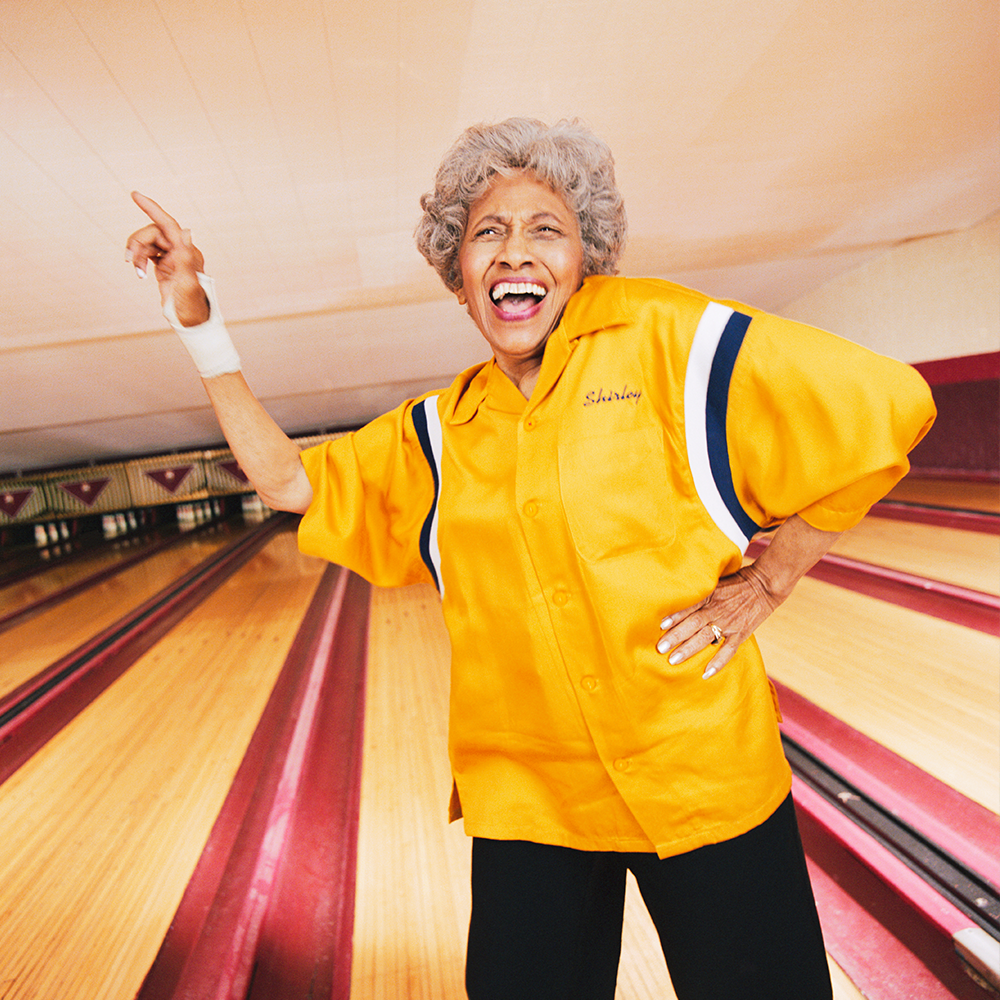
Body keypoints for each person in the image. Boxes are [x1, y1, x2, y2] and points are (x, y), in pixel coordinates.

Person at [126, 117, 936, 1000]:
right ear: (459, 274)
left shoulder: (670, 344)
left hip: (704, 779)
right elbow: (286, 481)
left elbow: (888, 408)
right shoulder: (434, 439)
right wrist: (196, 320)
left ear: (586, 257)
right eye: (488, 233)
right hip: (530, 804)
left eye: (546, 228)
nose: (516, 252)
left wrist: (775, 578)